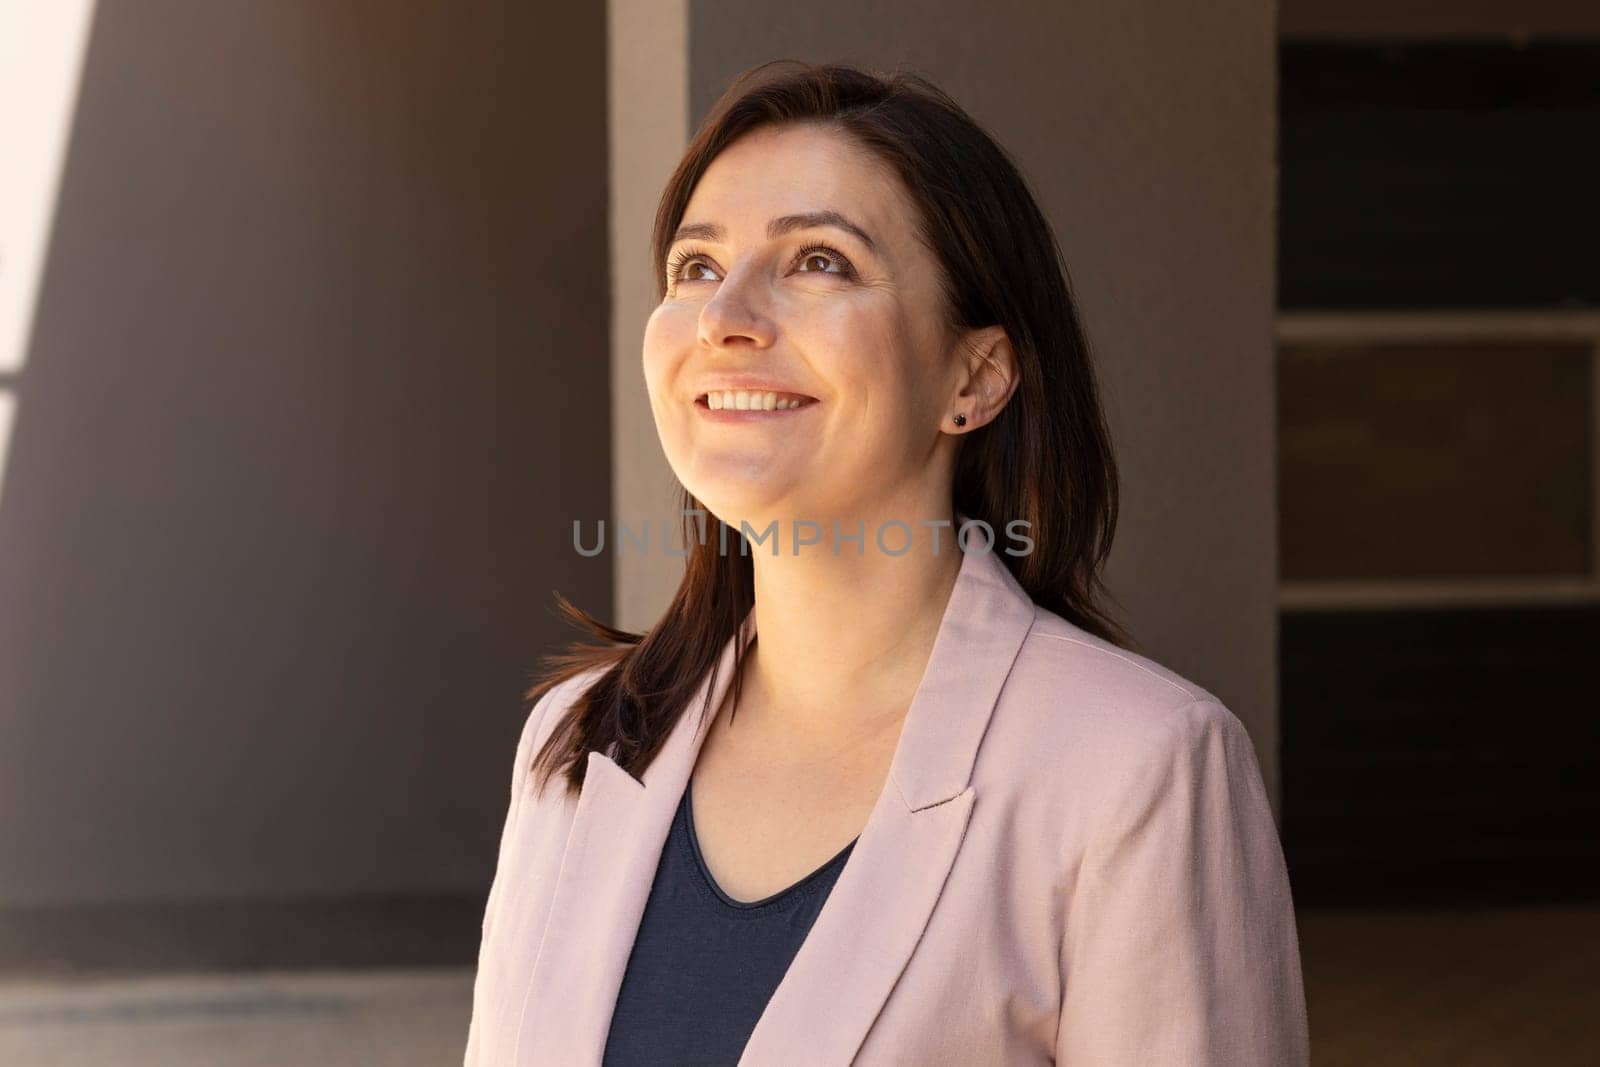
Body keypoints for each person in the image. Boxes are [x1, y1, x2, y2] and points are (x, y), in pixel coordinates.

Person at [465, 60, 1309, 1066]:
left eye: (818, 260)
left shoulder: (1138, 769)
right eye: (695, 267)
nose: (725, 316)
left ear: (975, 374)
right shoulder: (577, 739)